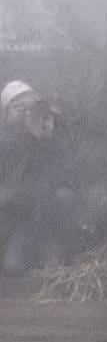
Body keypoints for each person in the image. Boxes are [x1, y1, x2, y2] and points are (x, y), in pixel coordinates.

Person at [0, 82, 77, 276]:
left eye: (31, 106)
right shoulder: (6, 143)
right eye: (19, 107)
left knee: (65, 196)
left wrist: (47, 135)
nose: (27, 113)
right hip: (13, 218)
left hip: (39, 217)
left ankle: (57, 253)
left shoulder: (50, 138)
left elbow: (65, 177)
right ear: (6, 114)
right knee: (13, 268)